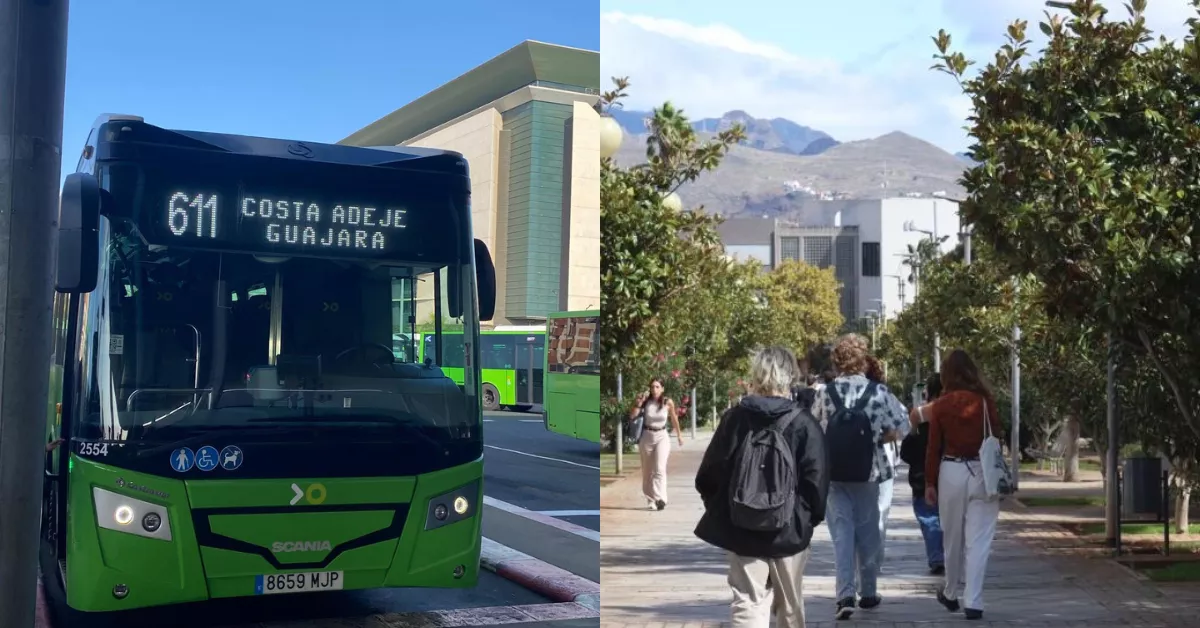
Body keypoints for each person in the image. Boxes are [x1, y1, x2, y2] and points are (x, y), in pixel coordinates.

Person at [695, 345, 829, 628]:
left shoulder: (735, 419)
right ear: (790, 375)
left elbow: (709, 474)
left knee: (747, 602)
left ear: (756, 375)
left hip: (742, 527)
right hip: (789, 531)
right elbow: (816, 481)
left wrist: (729, 510)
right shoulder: (804, 423)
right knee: (790, 609)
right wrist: (804, 520)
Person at [812, 334, 909, 620]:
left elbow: (813, 427)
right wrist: (882, 437)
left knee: (842, 532)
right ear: (863, 359)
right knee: (868, 531)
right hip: (870, 472)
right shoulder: (878, 392)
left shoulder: (824, 393)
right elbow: (902, 425)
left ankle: (844, 594)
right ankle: (868, 592)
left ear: (837, 361)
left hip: (834, 473)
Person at [911, 349, 1003, 621]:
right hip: (982, 471)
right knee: (979, 540)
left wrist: (929, 482)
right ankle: (973, 601)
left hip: (950, 470)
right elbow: (997, 434)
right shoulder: (985, 402)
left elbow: (933, 446)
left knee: (952, 537)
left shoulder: (941, 404)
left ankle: (951, 592)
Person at [899, 374, 945, 575]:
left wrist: (914, 428)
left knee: (929, 519)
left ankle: (937, 557)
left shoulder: (920, 416)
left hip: (922, 479)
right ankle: (949, 557)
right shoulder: (956, 416)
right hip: (952, 475)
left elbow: (907, 453)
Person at [628, 377, 683, 511]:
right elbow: (632, 416)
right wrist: (638, 404)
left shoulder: (667, 402)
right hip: (647, 436)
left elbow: (674, 418)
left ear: (662, 388)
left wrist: (679, 435)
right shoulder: (646, 402)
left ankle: (660, 499)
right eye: (652, 387)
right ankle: (650, 499)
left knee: (659, 469)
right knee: (648, 471)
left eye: (657, 387)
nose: (654, 389)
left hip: (662, 436)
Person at [863, 355, 897, 573]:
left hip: (848, 464)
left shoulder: (838, 395)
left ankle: (861, 568)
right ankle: (873, 562)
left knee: (855, 517)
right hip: (883, 462)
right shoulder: (884, 395)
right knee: (880, 512)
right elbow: (899, 429)